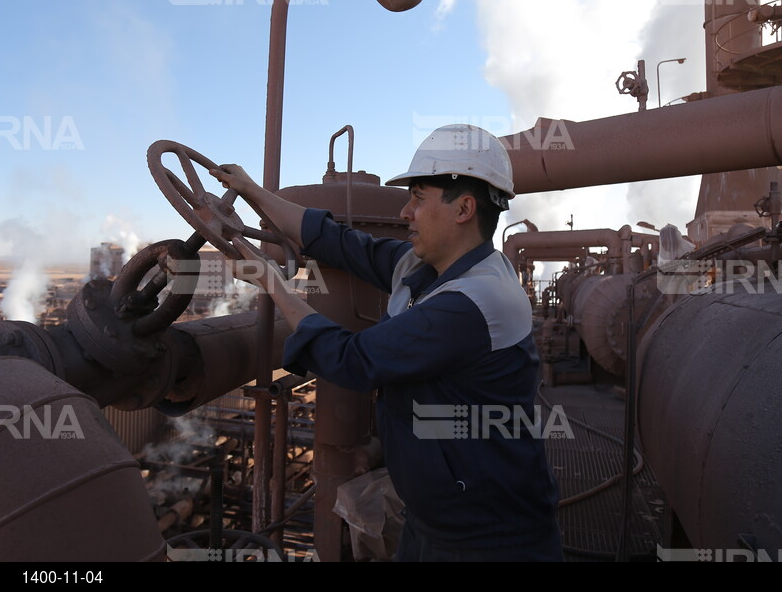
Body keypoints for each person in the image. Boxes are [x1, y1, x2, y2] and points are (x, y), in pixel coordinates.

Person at [210, 124, 561, 562]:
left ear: (464, 208)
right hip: (435, 515)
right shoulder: (427, 267)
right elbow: (338, 242)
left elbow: (349, 359)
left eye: (418, 197)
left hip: (487, 537)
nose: (405, 214)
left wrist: (269, 279)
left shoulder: (474, 301)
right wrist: (251, 191)